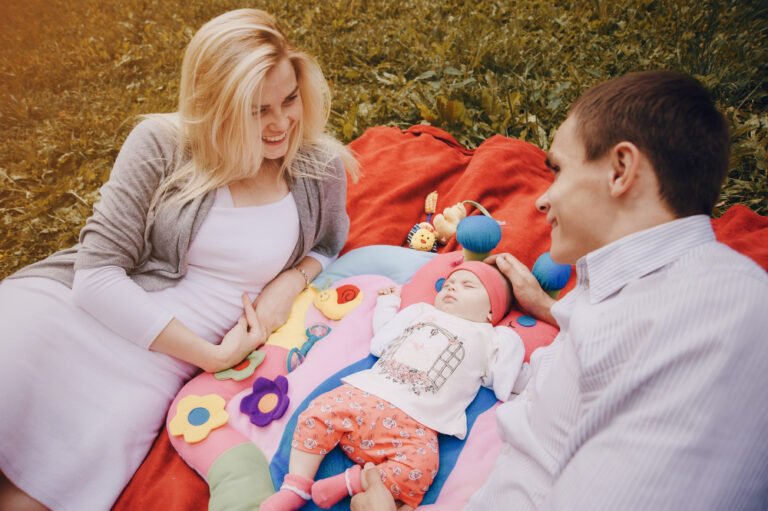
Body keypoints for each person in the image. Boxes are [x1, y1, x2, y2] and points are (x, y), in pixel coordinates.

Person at [350, 71, 768, 511]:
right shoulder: (632, 285)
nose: (542, 200)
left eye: (560, 171)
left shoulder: (718, 327)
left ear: (620, 171)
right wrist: (545, 306)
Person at [0, 9, 358, 511]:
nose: (281, 124)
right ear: (216, 105)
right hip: (70, 320)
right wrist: (211, 356)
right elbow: (95, 276)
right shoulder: (162, 143)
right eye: (256, 110)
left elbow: (329, 242)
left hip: (151, 370)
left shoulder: (318, 167)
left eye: (289, 99)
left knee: (44, 491)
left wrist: (293, 279)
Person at [262, 261, 526, 511]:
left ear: (491, 311)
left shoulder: (492, 339)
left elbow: (508, 382)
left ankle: (350, 482)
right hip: (367, 396)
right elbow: (382, 340)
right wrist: (387, 304)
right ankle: (296, 486)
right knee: (319, 412)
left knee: (421, 468)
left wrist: (519, 351)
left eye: (468, 286)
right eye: (448, 284)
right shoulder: (421, 312)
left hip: (418, 425)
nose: (452, 288)